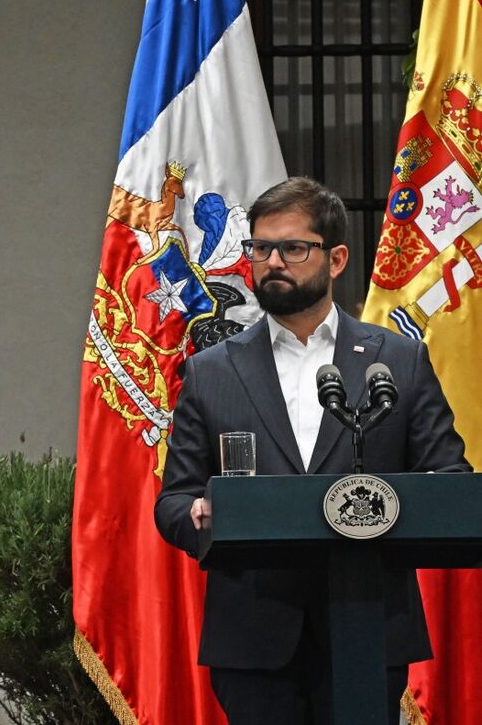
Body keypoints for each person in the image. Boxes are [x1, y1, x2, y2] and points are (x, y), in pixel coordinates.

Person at [154, 176, 470, 724]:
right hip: (253, 639)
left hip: (369, 628)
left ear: (337, 257)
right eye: (260, 248)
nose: (273, 261)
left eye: (293, 248)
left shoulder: (397, 362)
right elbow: (174, 498)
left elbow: (450, 480)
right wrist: (199, 515)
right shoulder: (211, 372)